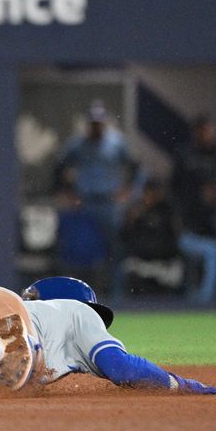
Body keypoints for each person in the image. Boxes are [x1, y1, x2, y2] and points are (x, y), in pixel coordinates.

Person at [0, 277, 216, 395]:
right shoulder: (78, 311)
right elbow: (122, 367)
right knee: (10, 347)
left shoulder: (51, 319)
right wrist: (180, 383)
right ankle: (20, 344)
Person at [55, 100, 143, 298]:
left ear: (104, 122)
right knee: (82, 251)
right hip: (85, 203)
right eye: (93, 123)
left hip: (110, 204)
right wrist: (68, 193)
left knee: (115, 251)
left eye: (99, 123)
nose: (96, 127)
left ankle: (116, 295)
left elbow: (136, 167)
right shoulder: (77, 144)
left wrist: (129, 192)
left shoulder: (116, 142)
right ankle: (83, 296)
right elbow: (58, 166)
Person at [171, 116, 216, 304]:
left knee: (214, 252)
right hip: (189, 228)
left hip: (214, 228)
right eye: (200, 131)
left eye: (207, 130)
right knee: (210, 253)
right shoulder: (185, 154)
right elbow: (174, 187)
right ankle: (199, 302)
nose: (204, 135)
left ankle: (203, 300)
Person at [121, 179, 184, 296]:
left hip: (164, 262)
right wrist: (130, 220)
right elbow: (123, 237)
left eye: (154, 193)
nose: (150, 196)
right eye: (148, 193)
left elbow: (175, 237)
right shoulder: (136, 211)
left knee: (174, 275)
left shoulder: (168, 210)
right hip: (141, 262)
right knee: (129, 269)